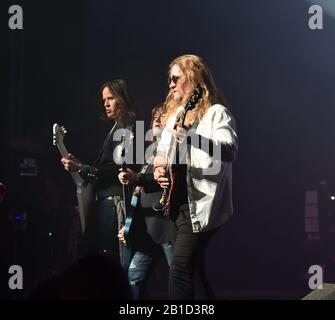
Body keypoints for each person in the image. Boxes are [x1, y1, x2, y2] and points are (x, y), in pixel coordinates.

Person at [153, 54, 238, 300]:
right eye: (169, 79)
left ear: (193, 78)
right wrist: (160, 169)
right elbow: (160, 155)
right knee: (194, 272)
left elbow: (229, 149)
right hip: (175, 203)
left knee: (179, 269)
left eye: (175, 78)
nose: (170, 84)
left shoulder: (216, 113)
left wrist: (192, 137)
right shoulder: (176, 116)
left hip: (200, 205)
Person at [61, 79, 137, 268]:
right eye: (104, 99)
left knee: (111, 259)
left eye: (110, 98)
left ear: (122, 99)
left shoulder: (129, 127)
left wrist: (81, 168)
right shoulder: (116, 127)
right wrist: (81, 165)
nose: (106, 103)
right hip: (107, 201)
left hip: (114, 203)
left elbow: (116, 168)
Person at [117, 104, 174, 299]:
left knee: (180, 279)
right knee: (134, 277)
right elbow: (140, 191)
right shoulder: (150, 154)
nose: (157, 119)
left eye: (162, 115)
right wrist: (128, 227)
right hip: (149, 231)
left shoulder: (174, 150)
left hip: (168, 228)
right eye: (155, 117)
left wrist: (138, 179)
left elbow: (166, 181)